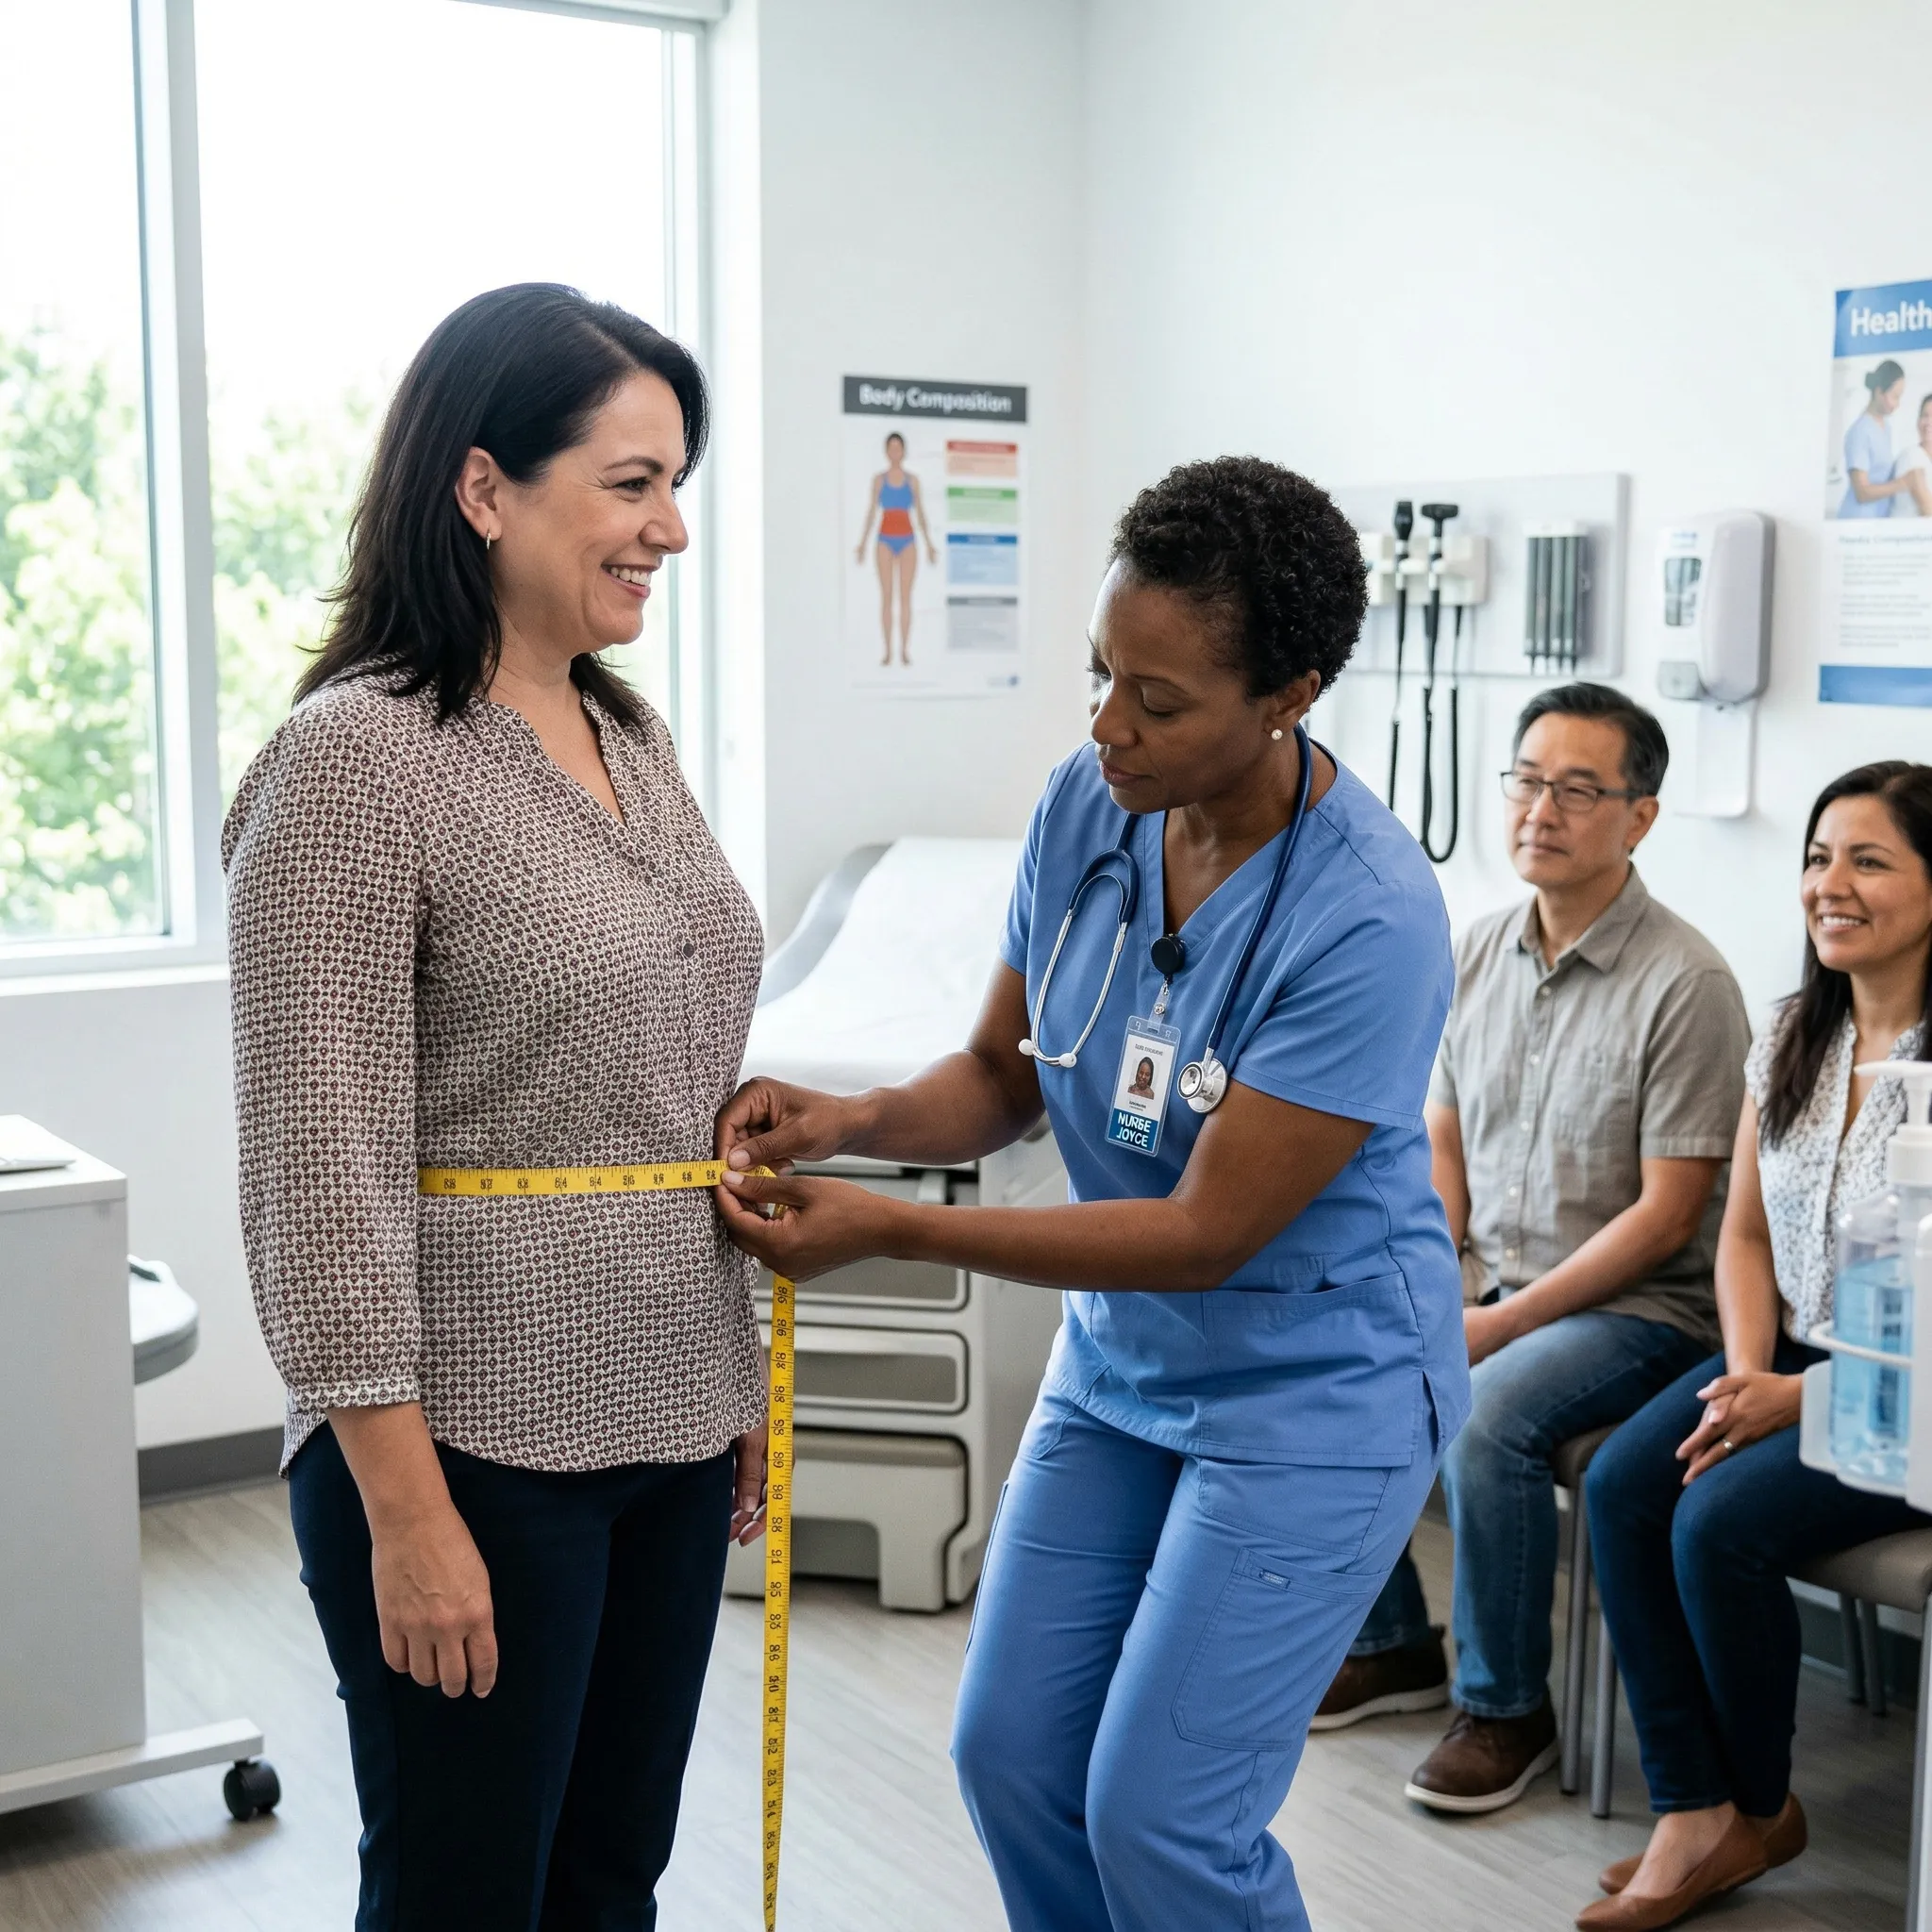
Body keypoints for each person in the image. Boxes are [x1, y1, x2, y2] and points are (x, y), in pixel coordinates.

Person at [711, 455, 1471, 1932]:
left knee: (1165, 1822)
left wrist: (894, 1225)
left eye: (1162, 702)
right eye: (1100, 676)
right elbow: (1003, 1071)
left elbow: (1205, 1232)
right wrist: (855, 1123)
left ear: (1289, 695)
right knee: (1011, 1760)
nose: (1111, 727)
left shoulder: (1368, 916)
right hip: (1123, 1369)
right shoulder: (1089, 806)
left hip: (1316, 1390)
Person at [225, 284, 768, 1931]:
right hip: (470, 1442)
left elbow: (624, 1071)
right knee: (467, 1892)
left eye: (677, 483)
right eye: (629, 481)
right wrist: (405, 1510)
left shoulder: (628, 730)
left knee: (610, 1880)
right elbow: (320, 1164)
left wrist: (728, 1349)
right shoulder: (354, 761)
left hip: (670, 1417)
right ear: (482, 489)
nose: (670, 526)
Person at [1315, 684, 1751, 1819]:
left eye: (1575, 789)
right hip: (1492, 1277)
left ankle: (1503, 1703)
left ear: (1638, 816)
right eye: (1524, 779)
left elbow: (1667, 1217)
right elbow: (1441, 1138)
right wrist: (1433, 1268)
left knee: (1483, 1406)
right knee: (1336, 1344)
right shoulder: (1472, 949)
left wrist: (1497, 1319)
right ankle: (1394, 1639)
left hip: (1640, 1311)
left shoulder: (1685, 981)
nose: (1538, 810)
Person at [1577, 761, 1932, 1932]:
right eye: (1817, 856)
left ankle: (1757, 1806)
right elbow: (1740, 1233)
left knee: (1716, 1519)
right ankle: (1693, 1803)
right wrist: (1749, 1372)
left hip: (1907, 1395)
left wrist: (1800, 1396)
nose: (1828, 884)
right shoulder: (1791, 1032)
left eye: (1867, 859)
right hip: (1780, 1353)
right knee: (1626, 1481)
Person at [855, 429, 938, 664]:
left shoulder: (913, 481)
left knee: (905, 597)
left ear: (903, 451)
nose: (894, 452)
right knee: (887, 596)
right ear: (886, 452)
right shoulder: (878, 480)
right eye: (890, 448)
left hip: (908, 540)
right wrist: (862, 543)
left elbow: (920, 513)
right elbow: (871, 511)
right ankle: (887, 651)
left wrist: (930, 544)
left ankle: (904, 650)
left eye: (898, 448)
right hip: (884, 540)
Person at [1839, 358, 1910, 517]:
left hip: (1876, 519)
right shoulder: (1860, 432)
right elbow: (1862, 492)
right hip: (1857, 520)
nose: (1898, 404)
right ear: (1879, 392)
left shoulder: (1885, 427)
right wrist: (1902, 484)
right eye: (1895, 396)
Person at [1892, 393, 1932, 517]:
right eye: (1925, 416)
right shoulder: (1911, 456)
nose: (1929, 422)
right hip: (1909, 534)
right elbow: (1927, 510)